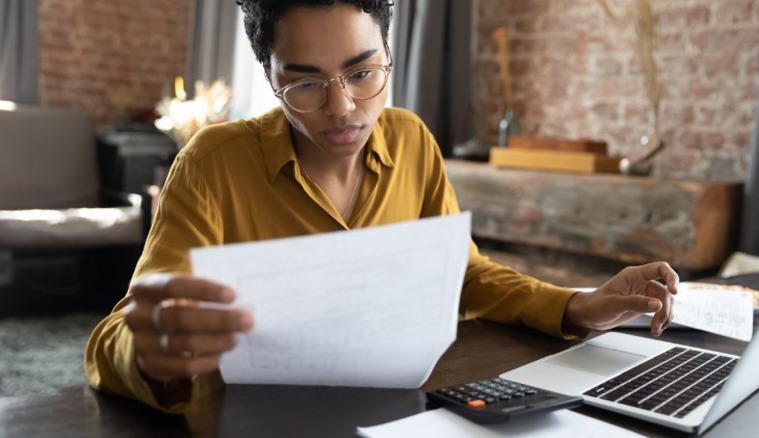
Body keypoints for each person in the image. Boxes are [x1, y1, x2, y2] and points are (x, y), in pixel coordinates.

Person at [85, 0, 678, 413]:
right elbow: (123, 329)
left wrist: (578, 306)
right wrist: (152, 354)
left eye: (362, 71)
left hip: (403, 407)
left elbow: (464, 276)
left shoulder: (413, 140)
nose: (343, 108)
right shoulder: (213, 163)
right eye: (306, 83)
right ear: (269, 80)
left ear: (389, 55)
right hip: (255, 417)